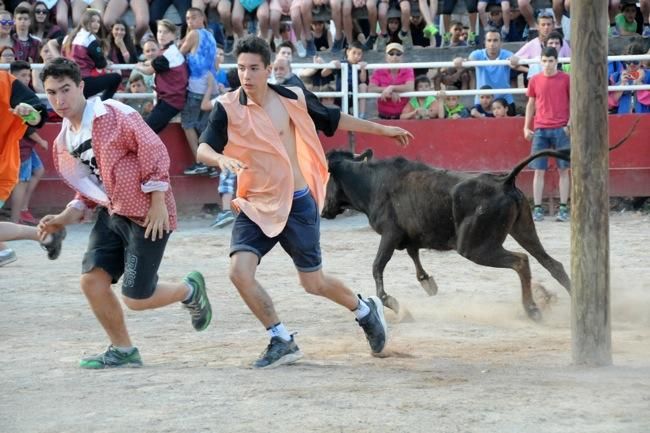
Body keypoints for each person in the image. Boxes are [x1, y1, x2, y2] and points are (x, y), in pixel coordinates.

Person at [196, 36, 413, 369]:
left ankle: (365, 311)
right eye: (241, 68)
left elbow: (334, 119)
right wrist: (218, 160)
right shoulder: (227, 107)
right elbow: (203, 148)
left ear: (268, 69)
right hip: (255, 204)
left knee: (314, 283)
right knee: (239, 272)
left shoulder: (292, 97)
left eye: (254, 68)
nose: (247, 75)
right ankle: (281, 338)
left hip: (296, 203)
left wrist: (383, 130)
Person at [37, 58, 212, 369]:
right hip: (111, 212)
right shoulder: (65, 140)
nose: (59, 100)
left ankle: (190, 290)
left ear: (81, 87)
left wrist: (158, 201)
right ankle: (123, 350)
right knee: (91, 282)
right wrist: (62, 218)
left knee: (136, 298)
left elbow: (154, 150)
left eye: (65, 90)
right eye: (51, 93)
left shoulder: (116, 115)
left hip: (147, 213)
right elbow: (90, 187)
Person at [0, 68, 56, 266]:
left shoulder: (6, 83)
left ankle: (42, 236)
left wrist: (30, 113)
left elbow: (38, 114)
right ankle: (43, 236)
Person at [523, 47, 571, 223]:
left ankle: (564, 208)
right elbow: (531, 104)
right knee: (539, 171)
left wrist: (570, 123)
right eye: (545, 60)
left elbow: (573, 102)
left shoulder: (566, 79)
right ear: (540, 61)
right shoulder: (535, 80)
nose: (548, 64)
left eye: (551, 60)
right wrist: (526, 127)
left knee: (564, 170)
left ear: (556, 61)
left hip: (561, 128)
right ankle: (537, 209)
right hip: (541, 129)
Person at [9, 60, 48, 225]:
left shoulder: (24, 93)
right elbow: (26, 127)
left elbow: (34, 120)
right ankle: (14, 219)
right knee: (22, 180)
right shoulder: (12, 92)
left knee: (38, 171)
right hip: (20, 146)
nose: (26, 79)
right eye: (22, 75)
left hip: (27, 146)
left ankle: (22, 209)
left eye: (28, 75)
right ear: (13, 77)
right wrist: (41, 140)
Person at [179, 8, 218, 176]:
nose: (190, 21)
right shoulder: (210, 35)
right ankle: (210, 163)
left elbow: (179, 54)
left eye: (193, 17)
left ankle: (200, 161)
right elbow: (216, 64)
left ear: (202, 18)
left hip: (196, 88)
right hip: (211, 88)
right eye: (187, 18)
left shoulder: (193, 34)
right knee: (203, 127)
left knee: (187, 125)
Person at [136, 19, 188, 134]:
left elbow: (149, 71)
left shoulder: (168, 54)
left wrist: (138, 66)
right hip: (170, 100)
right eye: (159, 32)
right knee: (151, 133)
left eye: (165, 32)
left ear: (174, 35)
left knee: (145, 132)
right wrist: (147, 63)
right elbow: (156, 62)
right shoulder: (170, 50)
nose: (161, 35)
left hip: (171, 101)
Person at [454, 27, 516, 116]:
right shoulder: (478, 54)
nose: (492, 44)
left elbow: (516, 61)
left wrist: (516, 59)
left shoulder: (507, 54)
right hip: (482, 102)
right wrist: (460, 60)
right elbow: (468, 60)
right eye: (489, 40)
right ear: (485, 43)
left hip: (504, 101)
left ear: (501, 43)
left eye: (495, 40)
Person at [62, 9, 122, 101]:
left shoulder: (68, 37)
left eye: (98, 22)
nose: (96, 24)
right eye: (92, 21)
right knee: (116, 77)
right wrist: (106, 62)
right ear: (85, 21)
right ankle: (103, 105)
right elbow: (101, 64)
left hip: (67, 81)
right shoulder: (89, 37)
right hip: (83, 82)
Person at [368, 42, 415, 119]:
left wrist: (391, 88)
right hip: (383, 116)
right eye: (391, 53)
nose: (395, 56)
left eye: (398, 54)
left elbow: (410, 87)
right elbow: (371, 88)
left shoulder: (408, 69)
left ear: (402, 57)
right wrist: (389, 91)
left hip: (403, 116)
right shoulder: (378, 70)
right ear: (386, 57)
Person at [321, 41, 368, 117]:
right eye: (354, 53)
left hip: (354, 95)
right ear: (348, 52)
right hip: (340, 95)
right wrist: (332, 64)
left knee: (363, 86)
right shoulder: (342, 63)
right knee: (327, 89)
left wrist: (363, 69)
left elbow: (363, 80)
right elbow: (323, 73)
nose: (356, 56)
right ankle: (325, 115)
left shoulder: (361, 65)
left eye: (359, 54)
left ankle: (362, 115)